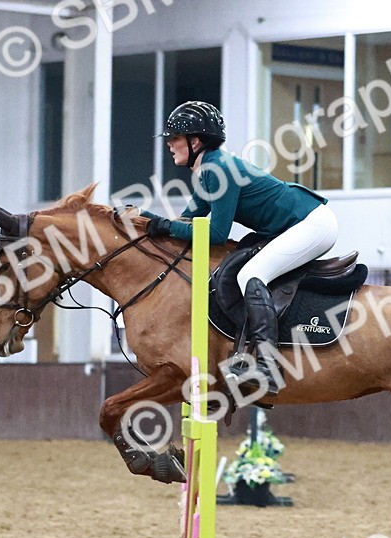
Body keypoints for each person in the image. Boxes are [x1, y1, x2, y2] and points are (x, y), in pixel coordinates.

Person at [141, 101, 338, 396]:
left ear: (195, 141)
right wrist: (147, 226)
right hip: (297, 224)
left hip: (312, 224)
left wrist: (165, 226)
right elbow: (188, 219)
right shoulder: (208, 169)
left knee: (250, 275)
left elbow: (217, 234)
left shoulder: (219, 169)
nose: (169, 145)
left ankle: (268, 367)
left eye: (174, 139)